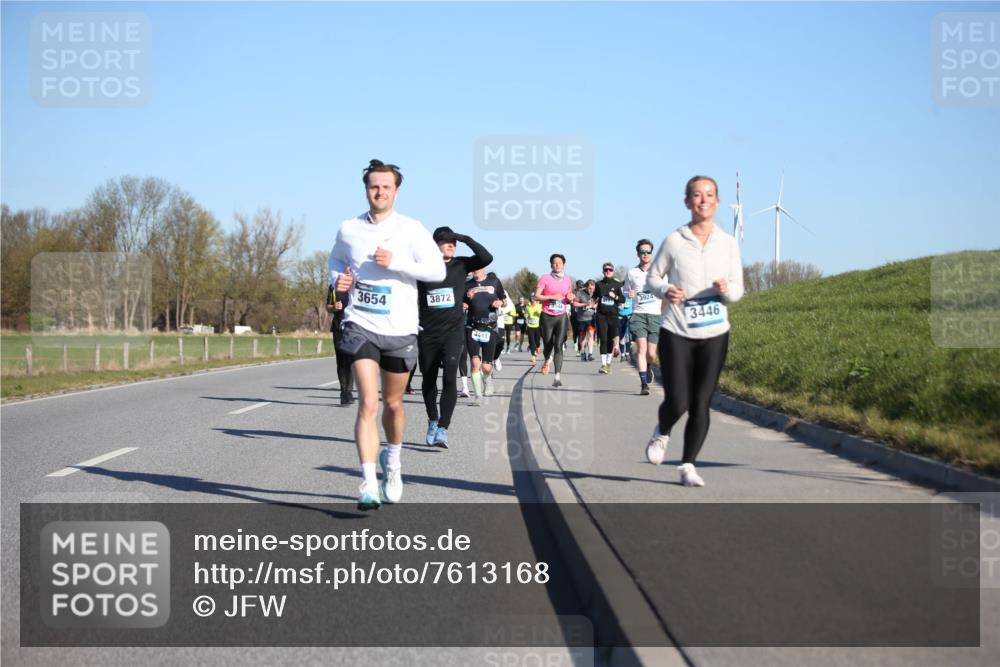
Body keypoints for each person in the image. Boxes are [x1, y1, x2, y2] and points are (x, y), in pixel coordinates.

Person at [329, 159, 446, 509]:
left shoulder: (411, 230)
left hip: (400, 328)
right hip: (360, 323)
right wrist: (339, 280)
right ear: (366, 189)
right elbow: (334, 261)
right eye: (373, 186)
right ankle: (367, 485)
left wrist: (397, 262)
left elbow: (436, 270)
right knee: (368, 401)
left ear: (396, 190)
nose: (379, 192)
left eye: (386, 187)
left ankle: (392, 462)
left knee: (393, 404)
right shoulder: (349, 229)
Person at [644, 175, 744, 487]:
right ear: (687, 202)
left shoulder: (727, 244)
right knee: (679, 400)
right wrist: (666, 289)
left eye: (709, 195)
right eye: (697, 195)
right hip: (677, 330)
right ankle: (662, 431)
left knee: (701, 401)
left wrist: (726, 289)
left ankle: (688, 465)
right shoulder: (675, 240)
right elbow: (653, 277)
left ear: (717, 202)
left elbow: (739, 289)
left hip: (715, 332)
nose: (703, 200)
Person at [416, 226, 492, 448]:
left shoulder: (461, 264)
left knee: (450, 377)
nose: (451, 244)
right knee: (429, 378)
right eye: (446, 241)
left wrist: (464, 237)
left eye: (453, 242)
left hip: (453, 331)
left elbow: (486, 257)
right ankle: (432, 419)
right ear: (435, 244)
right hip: (428, 332)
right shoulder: (424, 267)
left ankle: (443, 428)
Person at [534, 253, 577, 388]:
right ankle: (548, 358)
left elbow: (569, 296)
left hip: (561, 316)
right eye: (554, 263)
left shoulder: (568, 280)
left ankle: (557, 376)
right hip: (547, 316)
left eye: (559, 262)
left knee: (558, 345)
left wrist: (570, 297)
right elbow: (536, 296)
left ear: (564, 264)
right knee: (548, 344)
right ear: (551, 265)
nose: (557, 265)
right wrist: (551, 297)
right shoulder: (545, 278)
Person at [624, 238, 660, 395]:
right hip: (638, 314)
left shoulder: (659, 271)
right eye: (642, 252)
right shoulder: (632, 273)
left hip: (655, 315)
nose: (645, 254)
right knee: (641, 349)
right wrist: (629, 293)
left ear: (652, 253)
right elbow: (625, 290)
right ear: (638, 254)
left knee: (651, 353)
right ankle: (644, 384)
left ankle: (649, 366)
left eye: (648, 251)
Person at [464, 267, 506, 404]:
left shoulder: (494, 281)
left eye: (477, 268)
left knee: (486, 366)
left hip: (490, 327)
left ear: (484, 269)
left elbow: (504, 300)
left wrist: (499, 302)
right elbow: (462, 302)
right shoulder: (467, 285)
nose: (475, 271)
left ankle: (487, 380)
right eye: (473, 269)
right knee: (475, 362)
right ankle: (478, 396)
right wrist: (464, 304)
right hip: (472, 327)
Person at [593, 261, 625, 375]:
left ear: (613, 271)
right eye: (606, 270)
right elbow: (594, 297)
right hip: (601, 315)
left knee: (611, 339)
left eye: (610, 270)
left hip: (613, 316)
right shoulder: (598, 284)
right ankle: (603, 364)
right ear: (603, 271)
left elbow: (622, 300)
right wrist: (591, 302)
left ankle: (608, 363)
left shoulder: (617, 285)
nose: (608, 271)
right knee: (603, 339)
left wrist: (615, 296)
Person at [326, 283, 354, 405]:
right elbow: (328, 306)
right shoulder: (333, 285)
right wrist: (333, 307)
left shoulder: (357, 282)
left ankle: (349, 391)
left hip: (354, 327)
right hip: (338, 326)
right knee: (341, 360)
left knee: (352, 360)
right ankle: (344, 392)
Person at [574, 280, 597, 362]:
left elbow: (599, 302)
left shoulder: (595, 294)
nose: (591, 290)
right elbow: (575, 304)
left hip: (591, 318)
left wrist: (595, 305)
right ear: (586, 287)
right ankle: (583, 352)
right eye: (590, 288)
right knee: (583, 337)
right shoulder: (580, 293)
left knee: (591, 334)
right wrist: (585, 304)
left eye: (593, 288)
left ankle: (590, 354)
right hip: (581, 318)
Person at [524, 295, 543, 362]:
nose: (533, 299)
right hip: (530, 326)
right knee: (532, 341)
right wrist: (526, 317)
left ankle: (538, 347)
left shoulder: (540, 305)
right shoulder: (527, 306)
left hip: (538, 326)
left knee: (537, 341)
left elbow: (544, 314)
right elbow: (526, 314)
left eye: (534, 297)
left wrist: (540, 312)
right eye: (531, 297)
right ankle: (533, 356)